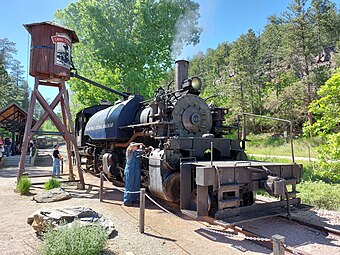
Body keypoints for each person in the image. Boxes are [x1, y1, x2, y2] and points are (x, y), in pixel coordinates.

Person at [123, 142, 143, 206]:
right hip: (130, 171)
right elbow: (130, 146)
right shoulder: (129, 152)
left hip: (136, 171)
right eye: (136, 146)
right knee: (129, 185)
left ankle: (135, 199)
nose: (137, 147)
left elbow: (143, 151)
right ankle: (127, 201)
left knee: (136, 185)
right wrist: (140, 143)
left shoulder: (137, 153)